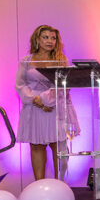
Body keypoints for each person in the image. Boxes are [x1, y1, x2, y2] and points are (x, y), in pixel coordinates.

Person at [15, 24, 80, 180]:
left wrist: (44, 100)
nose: (50, 41)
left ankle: (60, 185)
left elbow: (64, 86)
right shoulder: (26, 61)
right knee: (36, 146)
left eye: (53, 38)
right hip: (34, 108)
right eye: (45, 37)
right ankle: (39, 186)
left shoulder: (61, 60)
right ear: (37, 39)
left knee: (59, 146)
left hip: (55, 108)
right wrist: (35, 100)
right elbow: (20, 85)